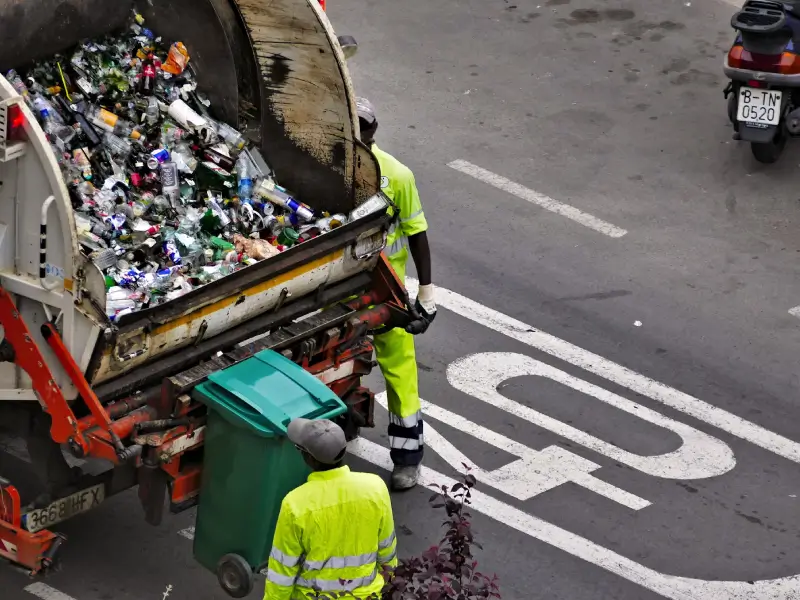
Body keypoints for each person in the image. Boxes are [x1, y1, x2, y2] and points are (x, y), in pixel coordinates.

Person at [356, 97, 436, 491]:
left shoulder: (397, 176)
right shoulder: (328, 165)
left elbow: (417, 234)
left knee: (400, 372)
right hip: (340, 285)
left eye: (364, 126)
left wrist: (427, 292)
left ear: (374, 129)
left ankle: (407, 459)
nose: (359, 132)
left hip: (385, 289)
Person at [263, 418, 398, 600]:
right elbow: (387, 550)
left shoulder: (295, 504)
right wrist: (389, 584)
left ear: (309, 458)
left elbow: (282, 572)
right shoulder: (375, 488)